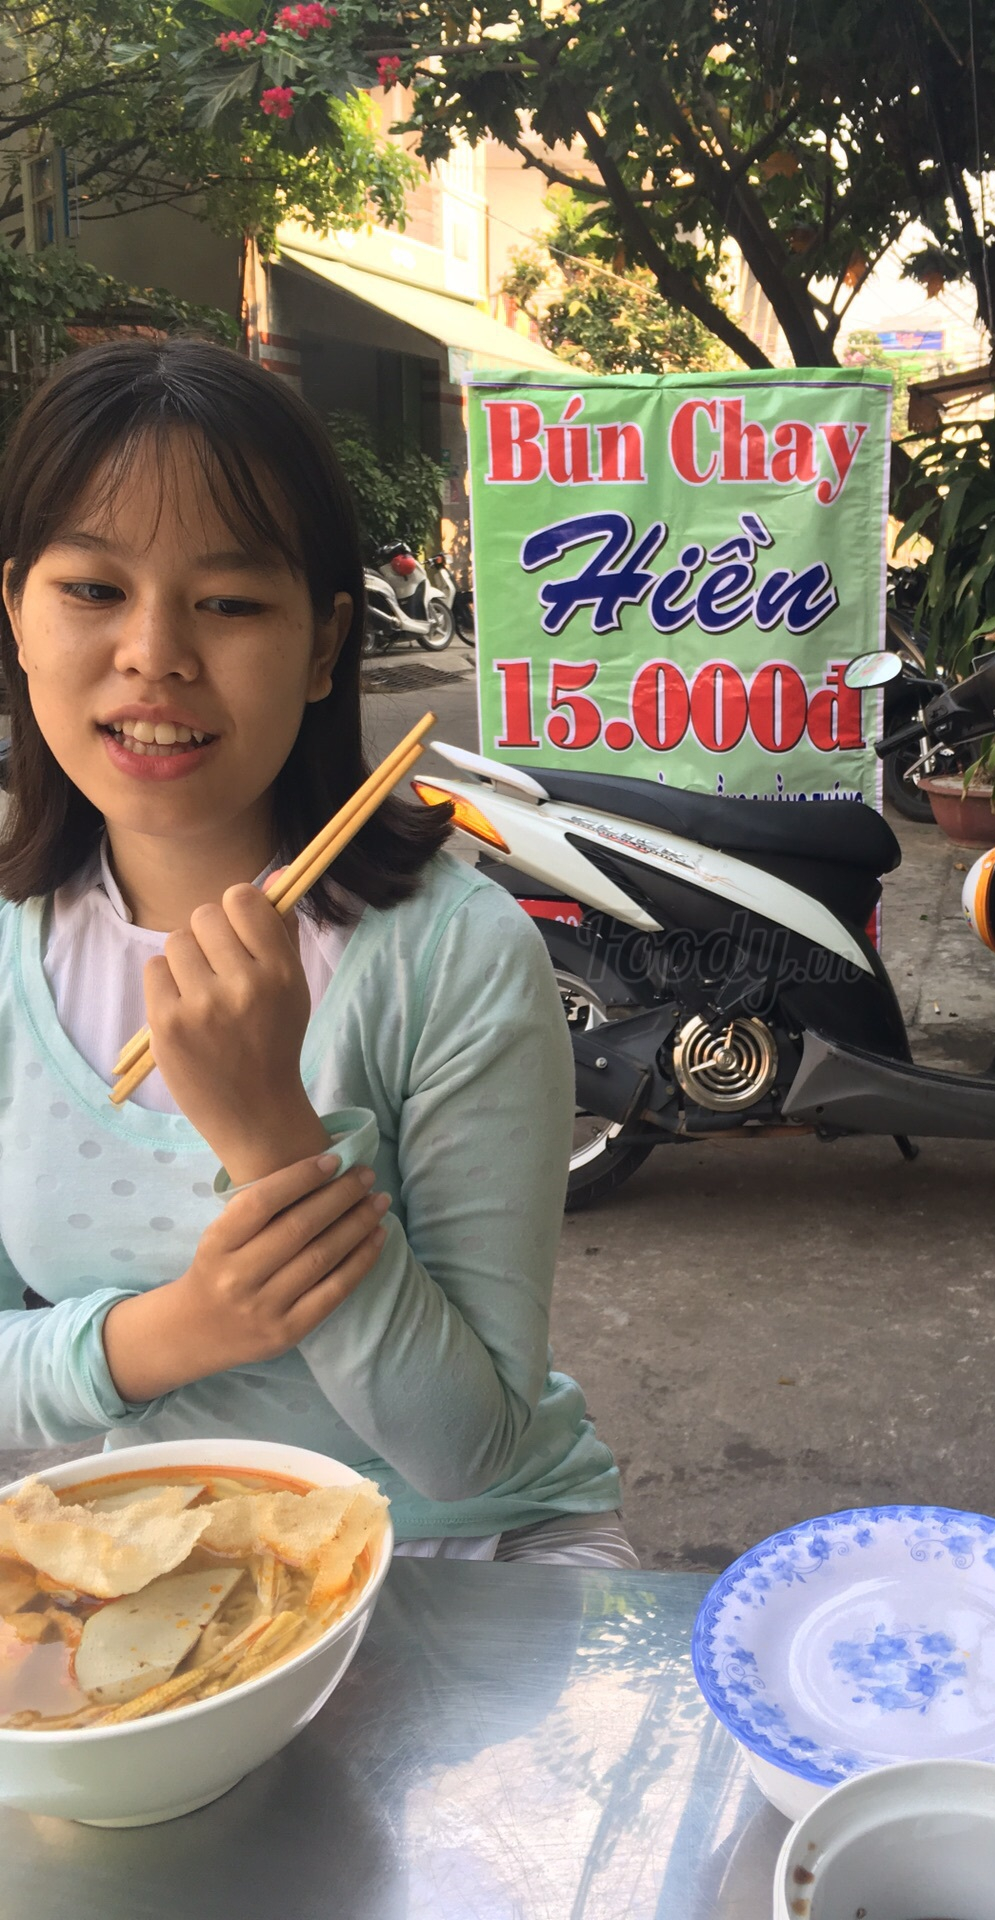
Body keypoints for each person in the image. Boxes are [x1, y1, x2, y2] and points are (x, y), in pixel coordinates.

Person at [0, 339, 636, 1570]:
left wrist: (274, 1139)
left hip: (468, 1549)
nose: (154, 653)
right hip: (152, 1553)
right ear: (17, 612)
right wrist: (177, 1330)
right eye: (92, 589)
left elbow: (469, 1450)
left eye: (230, 602)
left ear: (326, 646)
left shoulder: (454, 957)